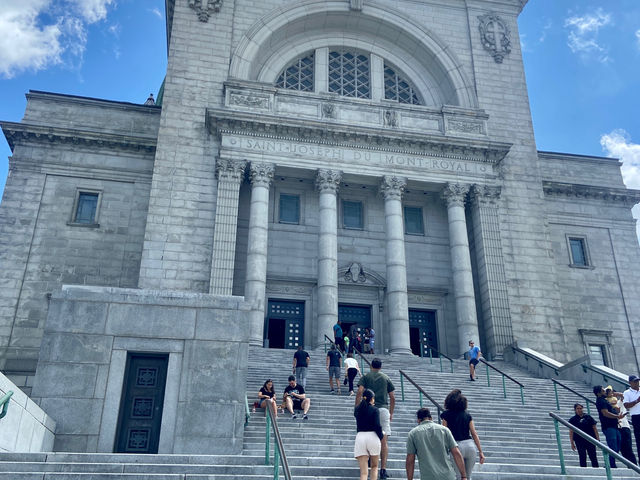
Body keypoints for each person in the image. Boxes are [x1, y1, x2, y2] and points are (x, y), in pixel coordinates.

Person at [356, 358, 395, 480]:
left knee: (367, 434)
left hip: (367, 409)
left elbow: (359, 391)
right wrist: (391, 412)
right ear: (380, 366)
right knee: (383, 440)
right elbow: (392, 397)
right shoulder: (385, 377)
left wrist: (357, 408)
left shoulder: (366, 376)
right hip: (383, 409)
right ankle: (383, 469)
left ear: (371, 365)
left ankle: (368, 461)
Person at [406, 407, 468, 480]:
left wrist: (410, 478)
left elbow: (410, 459)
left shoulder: (413, 434)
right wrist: (463, 476)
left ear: (418, 420)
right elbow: (456, 453)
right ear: (431, 418)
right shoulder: (445, 430)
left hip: (428, 476)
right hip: (447, 476)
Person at [440, 389, 485, 479]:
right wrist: (480, 451)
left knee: (458, 476)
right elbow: (474, 433)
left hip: (456, 446)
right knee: (468, 476)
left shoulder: (446, 415)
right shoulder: (467, 415)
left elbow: (444, 433)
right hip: (470, 446)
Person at [354, 388, 383, 480]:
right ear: (371, 399)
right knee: (374, 467)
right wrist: (381, 436)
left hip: (360, 437)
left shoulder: (357, 410)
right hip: (373, 436)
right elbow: (377, 425)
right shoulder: (375, 410)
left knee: (363, 472)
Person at [594, 385, 625, 468]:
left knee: (618, 445)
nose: (605, 392)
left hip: (614, 426)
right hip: (608, 427)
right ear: (599, 393)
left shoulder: (604, 400)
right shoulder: (600, 401)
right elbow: (605, 413)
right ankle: (610, 465)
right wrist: (617, 416)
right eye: (603, 391)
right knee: (613, 446)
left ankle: (611, 463)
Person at [568, 403, 600, 468]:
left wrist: (597, 438)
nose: (580, 410)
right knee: (582, 455)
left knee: (593, 455)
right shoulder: (573, 419)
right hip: (579, 440)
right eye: (578, 408)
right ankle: (583, 468)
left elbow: (594, 427)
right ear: (575, 410)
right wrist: (572, 443)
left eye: (581, 408)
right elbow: (571, 431)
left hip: (590, 439)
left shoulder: (588, 417)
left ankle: (596, 467)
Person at [623, 375, 640, 461]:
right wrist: (637, 400)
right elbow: (626, 405)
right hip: (637, 416)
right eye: (635, 381)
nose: (637, 383)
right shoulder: (627, 393)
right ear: (630, 383)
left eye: (637, 381)